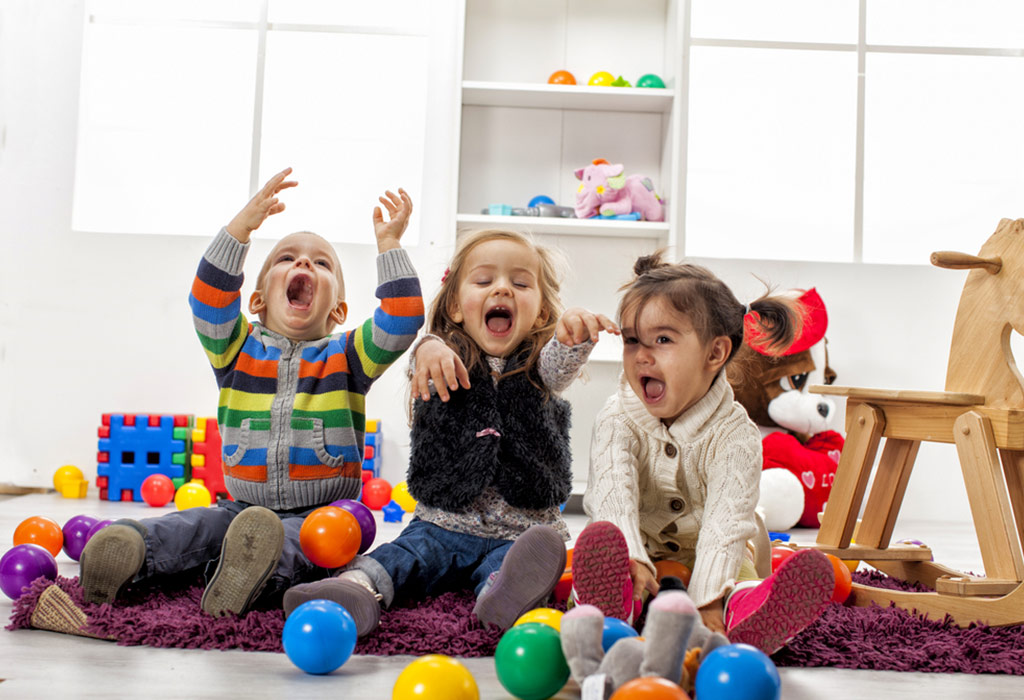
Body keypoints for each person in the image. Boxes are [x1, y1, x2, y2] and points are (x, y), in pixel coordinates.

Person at [79, 168, 424, 618]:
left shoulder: (349, 355)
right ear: (257, 300)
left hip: (324, 512)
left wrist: (390, 246)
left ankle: (249, 575)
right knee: (196, 526)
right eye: (287, 258)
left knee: (309, 545)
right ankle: (134, 549)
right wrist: (241, 228)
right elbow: (208, 298)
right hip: (241, 506)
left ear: (339, 309)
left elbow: (402, 319)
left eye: (322, 264)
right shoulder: (234, 348)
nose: (304, 265)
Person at [282, 228, 619, 636]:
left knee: (514, 568)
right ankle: (353, 588)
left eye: (520, 283)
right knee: (403, 556)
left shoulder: (539, 369)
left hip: (520, 532)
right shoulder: (443, 357)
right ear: (457, 307)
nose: (503, 290)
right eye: (484, 280)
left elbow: (558, 364)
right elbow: (422, 362)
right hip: (442, 524)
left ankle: (501, 596)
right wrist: (427, 346)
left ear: (543, 313)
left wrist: (572, 337)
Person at [573, 252, 834, 655]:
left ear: (715, 354)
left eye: (662, 340)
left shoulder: (736, 434)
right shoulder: (617, 417)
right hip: (641, 542)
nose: (641, 355)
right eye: (631, 340)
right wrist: (633, 556)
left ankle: (748, 613)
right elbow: (612, 495)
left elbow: (725, 525)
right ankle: (611, 605)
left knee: (737, 580)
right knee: (608, 546)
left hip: (714, 551)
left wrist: (708, 599)